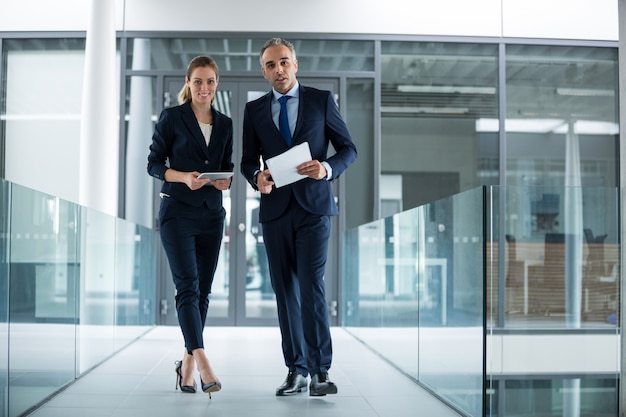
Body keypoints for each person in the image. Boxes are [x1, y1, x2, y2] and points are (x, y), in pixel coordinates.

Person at [240, 38, 357, 396]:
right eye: (271, 65)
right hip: (276, 211)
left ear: (296, 64)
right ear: (263, 71)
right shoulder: (256, 110)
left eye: (284, 62)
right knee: (284, 292)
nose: (279, 69)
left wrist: (325, 167)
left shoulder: (321, 101)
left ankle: (320, 370)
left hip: (314, 208)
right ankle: (297, 369)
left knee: (311, 285)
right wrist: (255, 177)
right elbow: (247, 161)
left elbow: (348, 149)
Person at [147, 55, 232, 398]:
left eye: (210, 81)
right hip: (177, 212)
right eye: (198, 81)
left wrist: (224, 182)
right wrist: (183, 177)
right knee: (187, 288)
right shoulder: (172, 117)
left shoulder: (224, 123)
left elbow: (225, 166)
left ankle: (186, 366)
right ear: (188, 82)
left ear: (216, 85)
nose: (204, 88)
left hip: (212, 213)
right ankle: (203, 362)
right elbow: (154, 164)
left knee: (202, 293)